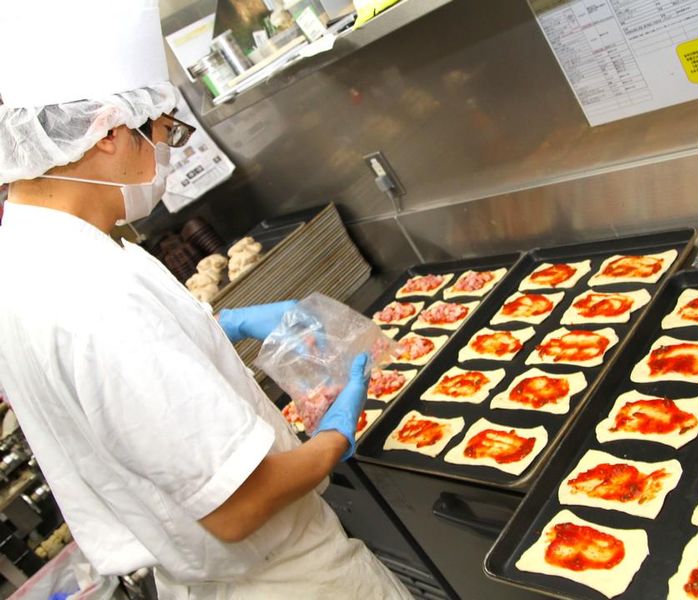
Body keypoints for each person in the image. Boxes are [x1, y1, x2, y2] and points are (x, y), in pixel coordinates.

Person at [0, 2, 411, 599]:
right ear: (109, 132)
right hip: (283, 580)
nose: (168, 155)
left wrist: (215, 326)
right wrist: (335, 435)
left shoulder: (25, 256)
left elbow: (117, 385)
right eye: (166, 132)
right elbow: (241, 507)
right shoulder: (94, 292)